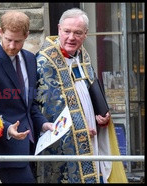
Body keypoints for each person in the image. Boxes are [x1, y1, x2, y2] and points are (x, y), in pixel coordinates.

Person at [35, 8, 128, 183]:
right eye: (67, 31)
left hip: (93, 138)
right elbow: (46, 108)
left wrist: (101, 115)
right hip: (67, 147)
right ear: (58, 29)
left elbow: (89, 91)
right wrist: (79, 130)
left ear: (85, 34)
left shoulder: (83, 55)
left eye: (77, 33)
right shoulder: (44, 61)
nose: (71, 37)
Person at [0, 11, 53, 184]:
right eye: (8, 39)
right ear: (0, 32)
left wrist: (43, 123)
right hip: (6, 148)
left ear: (26, 36)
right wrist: (8, 128)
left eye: (17, 41)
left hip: (31, 145)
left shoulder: (31, 59)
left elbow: (29, 105)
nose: (11, 45)